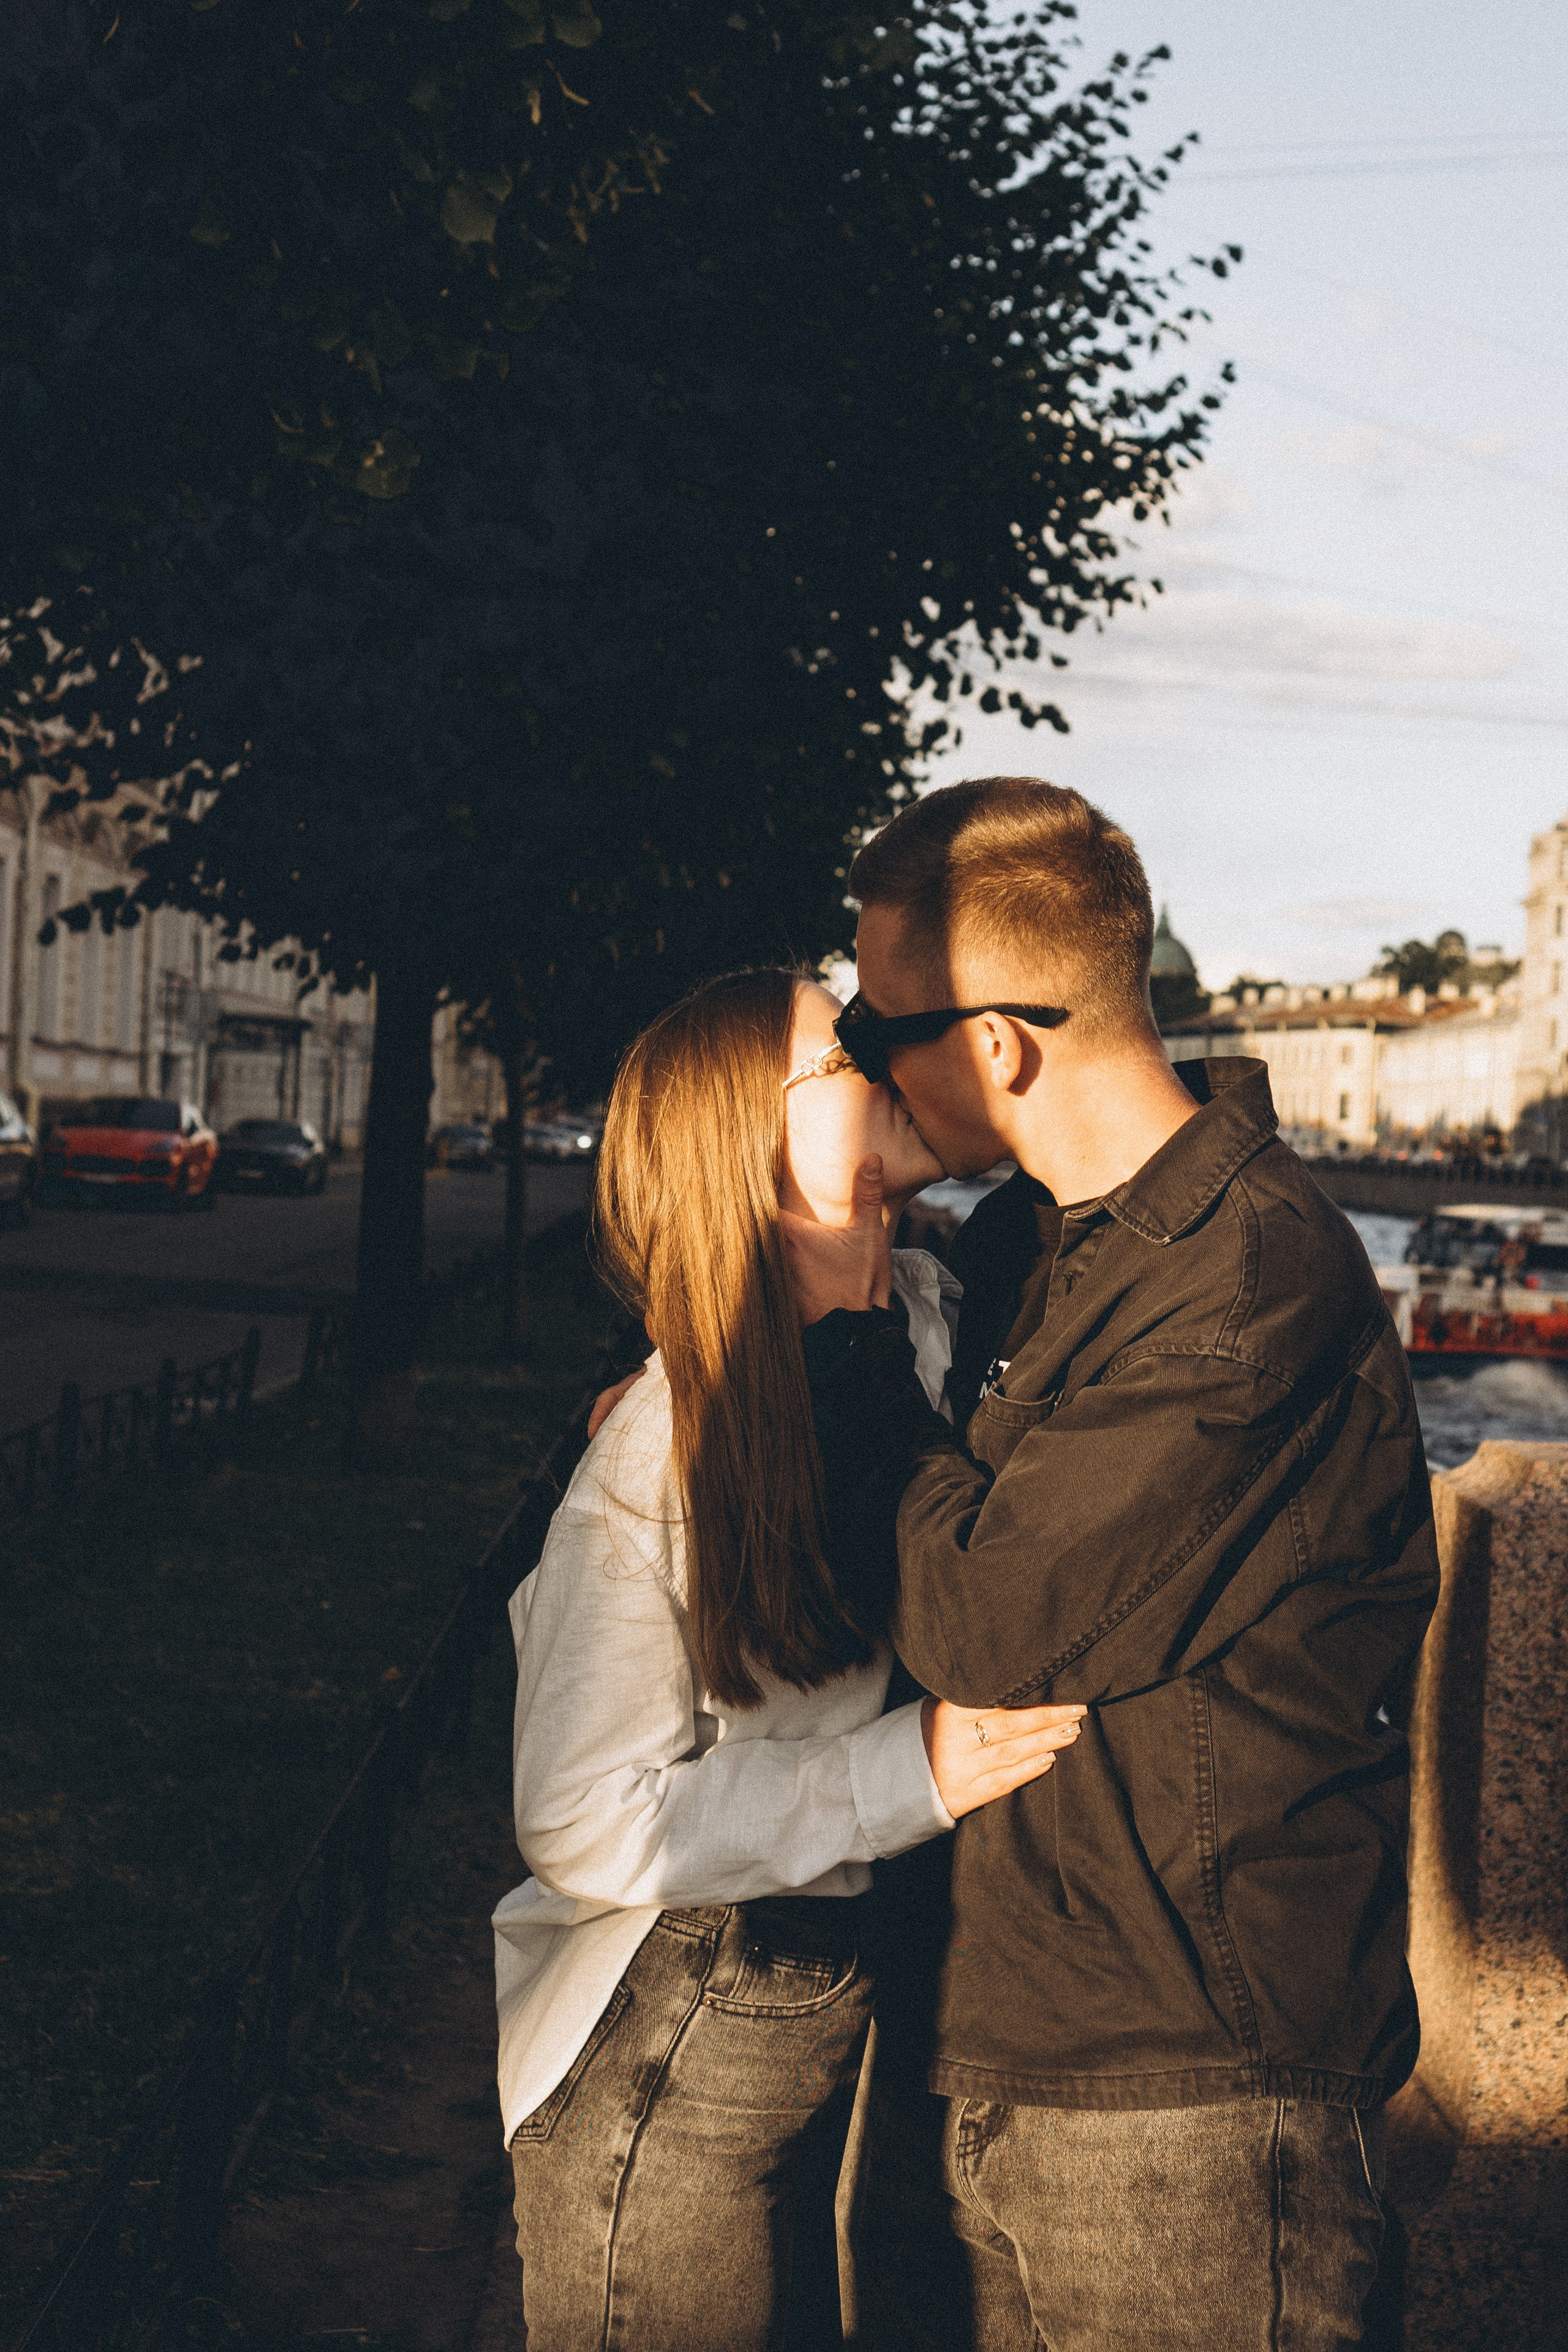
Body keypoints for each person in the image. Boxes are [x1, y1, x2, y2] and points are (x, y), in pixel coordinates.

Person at [783, 777, 1441, 2352]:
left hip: (1187, 2109)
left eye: (881, 1033)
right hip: (994, 2041)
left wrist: (842, 1324)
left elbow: (987, 1617)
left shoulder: (1246, 1278)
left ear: (998, 1044)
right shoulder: (1036, 1246)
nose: (865, 1067)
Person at [492, 965, 1085, 2352]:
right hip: (666, 2041)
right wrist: (905, 1774)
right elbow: (575, 1816)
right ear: (748, 1154)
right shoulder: (667, 1435)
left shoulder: (937, 1331)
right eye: (846, 1052)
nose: (887, 1063)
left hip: (817, 2028)